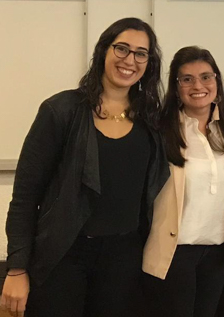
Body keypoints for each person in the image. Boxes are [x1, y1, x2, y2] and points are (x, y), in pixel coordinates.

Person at [1, 18, 169, 317]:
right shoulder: (61, 110)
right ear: (103, 51)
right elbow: (26, 196)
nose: (130, 60)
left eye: (141, 53)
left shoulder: (150, 119)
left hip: (123, 258)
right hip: (64, 255)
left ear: (149, 63)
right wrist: (16, 268)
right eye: (122, 49)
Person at [142, 46, 224, 317]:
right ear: (176, 88)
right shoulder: (159, 130)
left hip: (220, 249)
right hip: (175, 250)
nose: (197, 85)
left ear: (217, 83)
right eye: (186, 79)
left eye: (206, 77)